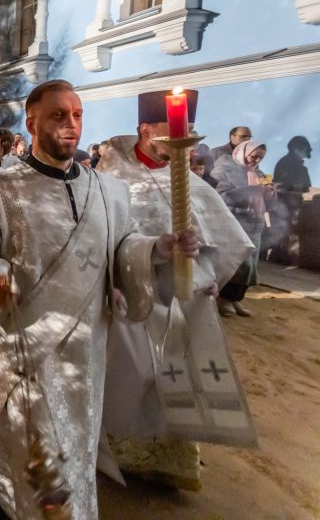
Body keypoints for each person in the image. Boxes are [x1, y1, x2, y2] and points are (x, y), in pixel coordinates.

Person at [0, 79, 198, 519]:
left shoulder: (107, 190)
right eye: (58, 115)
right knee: (33, 438)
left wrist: (158, 249)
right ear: (31, 123)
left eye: (77, 115)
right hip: (27, 345)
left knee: (76, 437)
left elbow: (123, 246)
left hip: (87, 349)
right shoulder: (3, 189)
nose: (71, 124)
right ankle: (19, 499)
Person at [96, 90, 257, 491]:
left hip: (182, 295)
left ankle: (171, 456)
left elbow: (218, 235)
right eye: (170, 133)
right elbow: (100, 240)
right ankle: (125, 451)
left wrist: (208, 273)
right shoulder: (111, 177)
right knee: (135, 373)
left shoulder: (189, 180)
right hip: (134, 292)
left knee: (178, 373)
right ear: (145, 130)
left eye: (186, 134)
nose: (181, 142)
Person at [213, 140, 270, 317]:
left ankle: (235, 298)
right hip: (234, 222)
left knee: (251, 264)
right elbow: (220, 196)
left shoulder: (258, 173)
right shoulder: (224, 169)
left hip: (254, 223)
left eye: (260, 158)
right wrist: (250, 191)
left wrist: (269, 193)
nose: (257, 161)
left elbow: (262, 198)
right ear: (243, 152)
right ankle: (223, 299)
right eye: (254, 156)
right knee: (238, 262)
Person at [271, 135, 312, 264]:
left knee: (288, 232)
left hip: (293, 204)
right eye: (305, 148)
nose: (308, 151)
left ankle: (282, 255)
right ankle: (279, 256)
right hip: (284, 204)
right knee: (283, 231)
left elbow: (306, 187)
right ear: (297, 148)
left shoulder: (300, 166)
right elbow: (280, 185)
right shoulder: (286, 163)